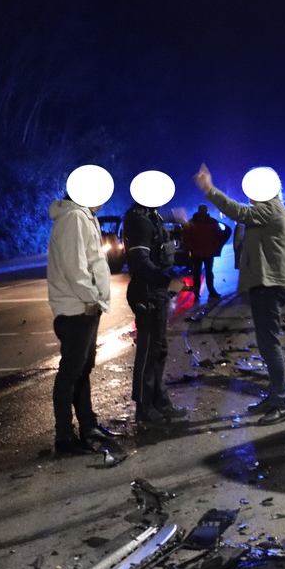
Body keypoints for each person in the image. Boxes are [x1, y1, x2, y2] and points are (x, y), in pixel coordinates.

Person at [195, 163, 285, 425]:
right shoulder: (277, 210)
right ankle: (275, 396)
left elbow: (237, 211)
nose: (249, 195)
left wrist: (209, 189)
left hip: (268, 287)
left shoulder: (271, 209)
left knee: (270, 344)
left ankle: (282, 401)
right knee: (265, 343)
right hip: (269, 285)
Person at [46, 165, 120, 455]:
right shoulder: (74, 218)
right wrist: (90, 298)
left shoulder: (84, 216)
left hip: (85, 307)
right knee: (70, 373)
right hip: (76, 309)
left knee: (82, 370)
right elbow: (74, 265)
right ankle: (64, 438)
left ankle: (87, 424)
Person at [124, 170, 189, 425]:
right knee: (149, 351)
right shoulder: (139, 221)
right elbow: (140, 262)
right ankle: (144, 407)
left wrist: (175, 216)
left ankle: (158, 400)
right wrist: (168, 281)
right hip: (148, 292)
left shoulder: (149, 216)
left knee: (159, 349)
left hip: (157, 293)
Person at [182, 204, 232, 299]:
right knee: (201, 273)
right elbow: (186, 237)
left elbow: (186, 237)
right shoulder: (210, 222)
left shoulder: (196, 222)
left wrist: (189, 248)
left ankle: (202, 291)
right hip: (202, 252)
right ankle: (204, 292)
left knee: (204, 272)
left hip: (203, 252)